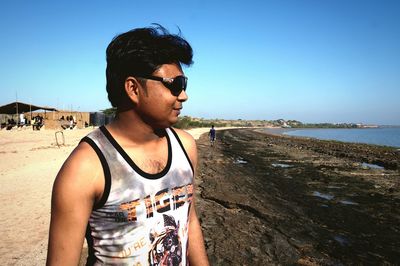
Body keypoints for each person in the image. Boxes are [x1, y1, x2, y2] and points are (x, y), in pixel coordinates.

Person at [47, 25, 209, 266]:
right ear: (133, 88)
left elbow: (189, 220)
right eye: (175, 84)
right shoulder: (86, 168)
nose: (183, 95)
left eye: (184, 84)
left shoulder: (185, 145)